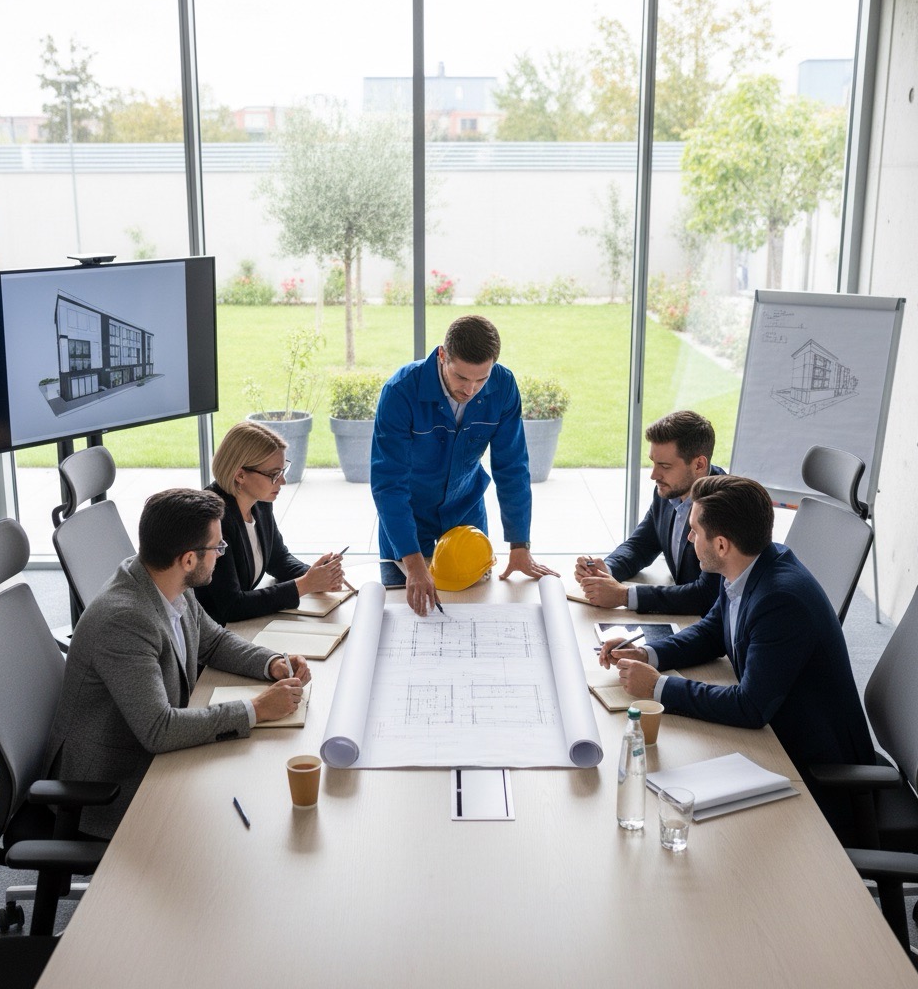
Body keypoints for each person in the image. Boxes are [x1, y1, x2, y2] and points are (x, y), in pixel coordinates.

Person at [599, 474, 874, 837]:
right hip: (775, 733)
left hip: (810, 764)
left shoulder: (780, 600)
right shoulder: (750, 566)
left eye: (695, 531)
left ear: (722, 545)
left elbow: (750, 707)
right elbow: (713, 631)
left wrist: (658, 687)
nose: (689, 538)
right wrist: (647, 653)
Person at [45, 488, 311, 838]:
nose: (221, 554)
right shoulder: (125, 621)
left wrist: (272, 662)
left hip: (155, 755)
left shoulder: (164, 577)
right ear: (188, 559)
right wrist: (257, 708)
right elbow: (160, 730)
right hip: (111, 787)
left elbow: (212, 641)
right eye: (217, 547)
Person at [372, 314, 557, 616]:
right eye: (461, 377)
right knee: (408, 612)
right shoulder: (400, 391)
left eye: (481, 379)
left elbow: (512, 467)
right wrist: (414, 565)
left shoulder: (503, 386)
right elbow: (388, 483)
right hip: (408, 519)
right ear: (442, 355)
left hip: (465, 513)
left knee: (475, 609)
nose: (471, 390)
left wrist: (519, 545)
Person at [195, 420, 346, 625]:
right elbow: (231, 606)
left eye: (283, 470)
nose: (282, 481)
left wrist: (318, 575)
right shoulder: (212, 519)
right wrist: (305, 584)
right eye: (274, 474)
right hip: (212, 632)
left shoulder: (260, 503)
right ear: (240, 475)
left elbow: (278, 560)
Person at [575, 410, 723, 616]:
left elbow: (706, 595)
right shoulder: (668, 490)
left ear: (699, 465)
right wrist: (605, 570)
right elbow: (641, 546)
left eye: (664, 466)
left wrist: (624, 596)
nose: (654, 475)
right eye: (653, 462)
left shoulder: (723, 508)